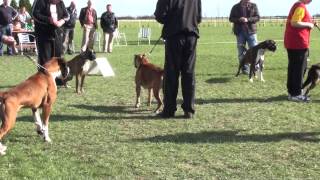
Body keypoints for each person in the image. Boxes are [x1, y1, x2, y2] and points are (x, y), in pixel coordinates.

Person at [154, 0, 202, 119]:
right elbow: (198, 17)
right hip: (191, 35)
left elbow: (160, 15)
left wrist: (173, 20)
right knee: (189, 73)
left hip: (174, 35)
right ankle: (189, 110)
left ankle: (169, 110)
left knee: (171, 73)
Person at [32, 0, 69, 85]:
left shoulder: (60, 3)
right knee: (45, 60)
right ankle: (43, 82)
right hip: (43, 35)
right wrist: (49, 20)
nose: (57, 2)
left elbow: (67, 15)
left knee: (58, 58)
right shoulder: (39, 1)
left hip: (57, 35)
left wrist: (61, 21)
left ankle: (58, 80)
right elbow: (35, 14)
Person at [284, 0, 314, 102]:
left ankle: (292, 92)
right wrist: (309, 25)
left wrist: (308, 22)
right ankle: (296, 94)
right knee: (299, 69)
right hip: (298, 42)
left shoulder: (298, 5)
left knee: (293, 68)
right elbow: (295, 22)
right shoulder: (301, 6)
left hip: (293, 42)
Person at [229, 0, 260, 74]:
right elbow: (231, 18)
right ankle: (245, 68)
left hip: (251, 32)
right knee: (241, 52)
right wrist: (239, 19)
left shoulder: (254, 5)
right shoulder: (235, 7)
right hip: (240, 33)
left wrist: (247, 19)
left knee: (255, 51)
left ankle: (255, 67)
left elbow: (257, 17)